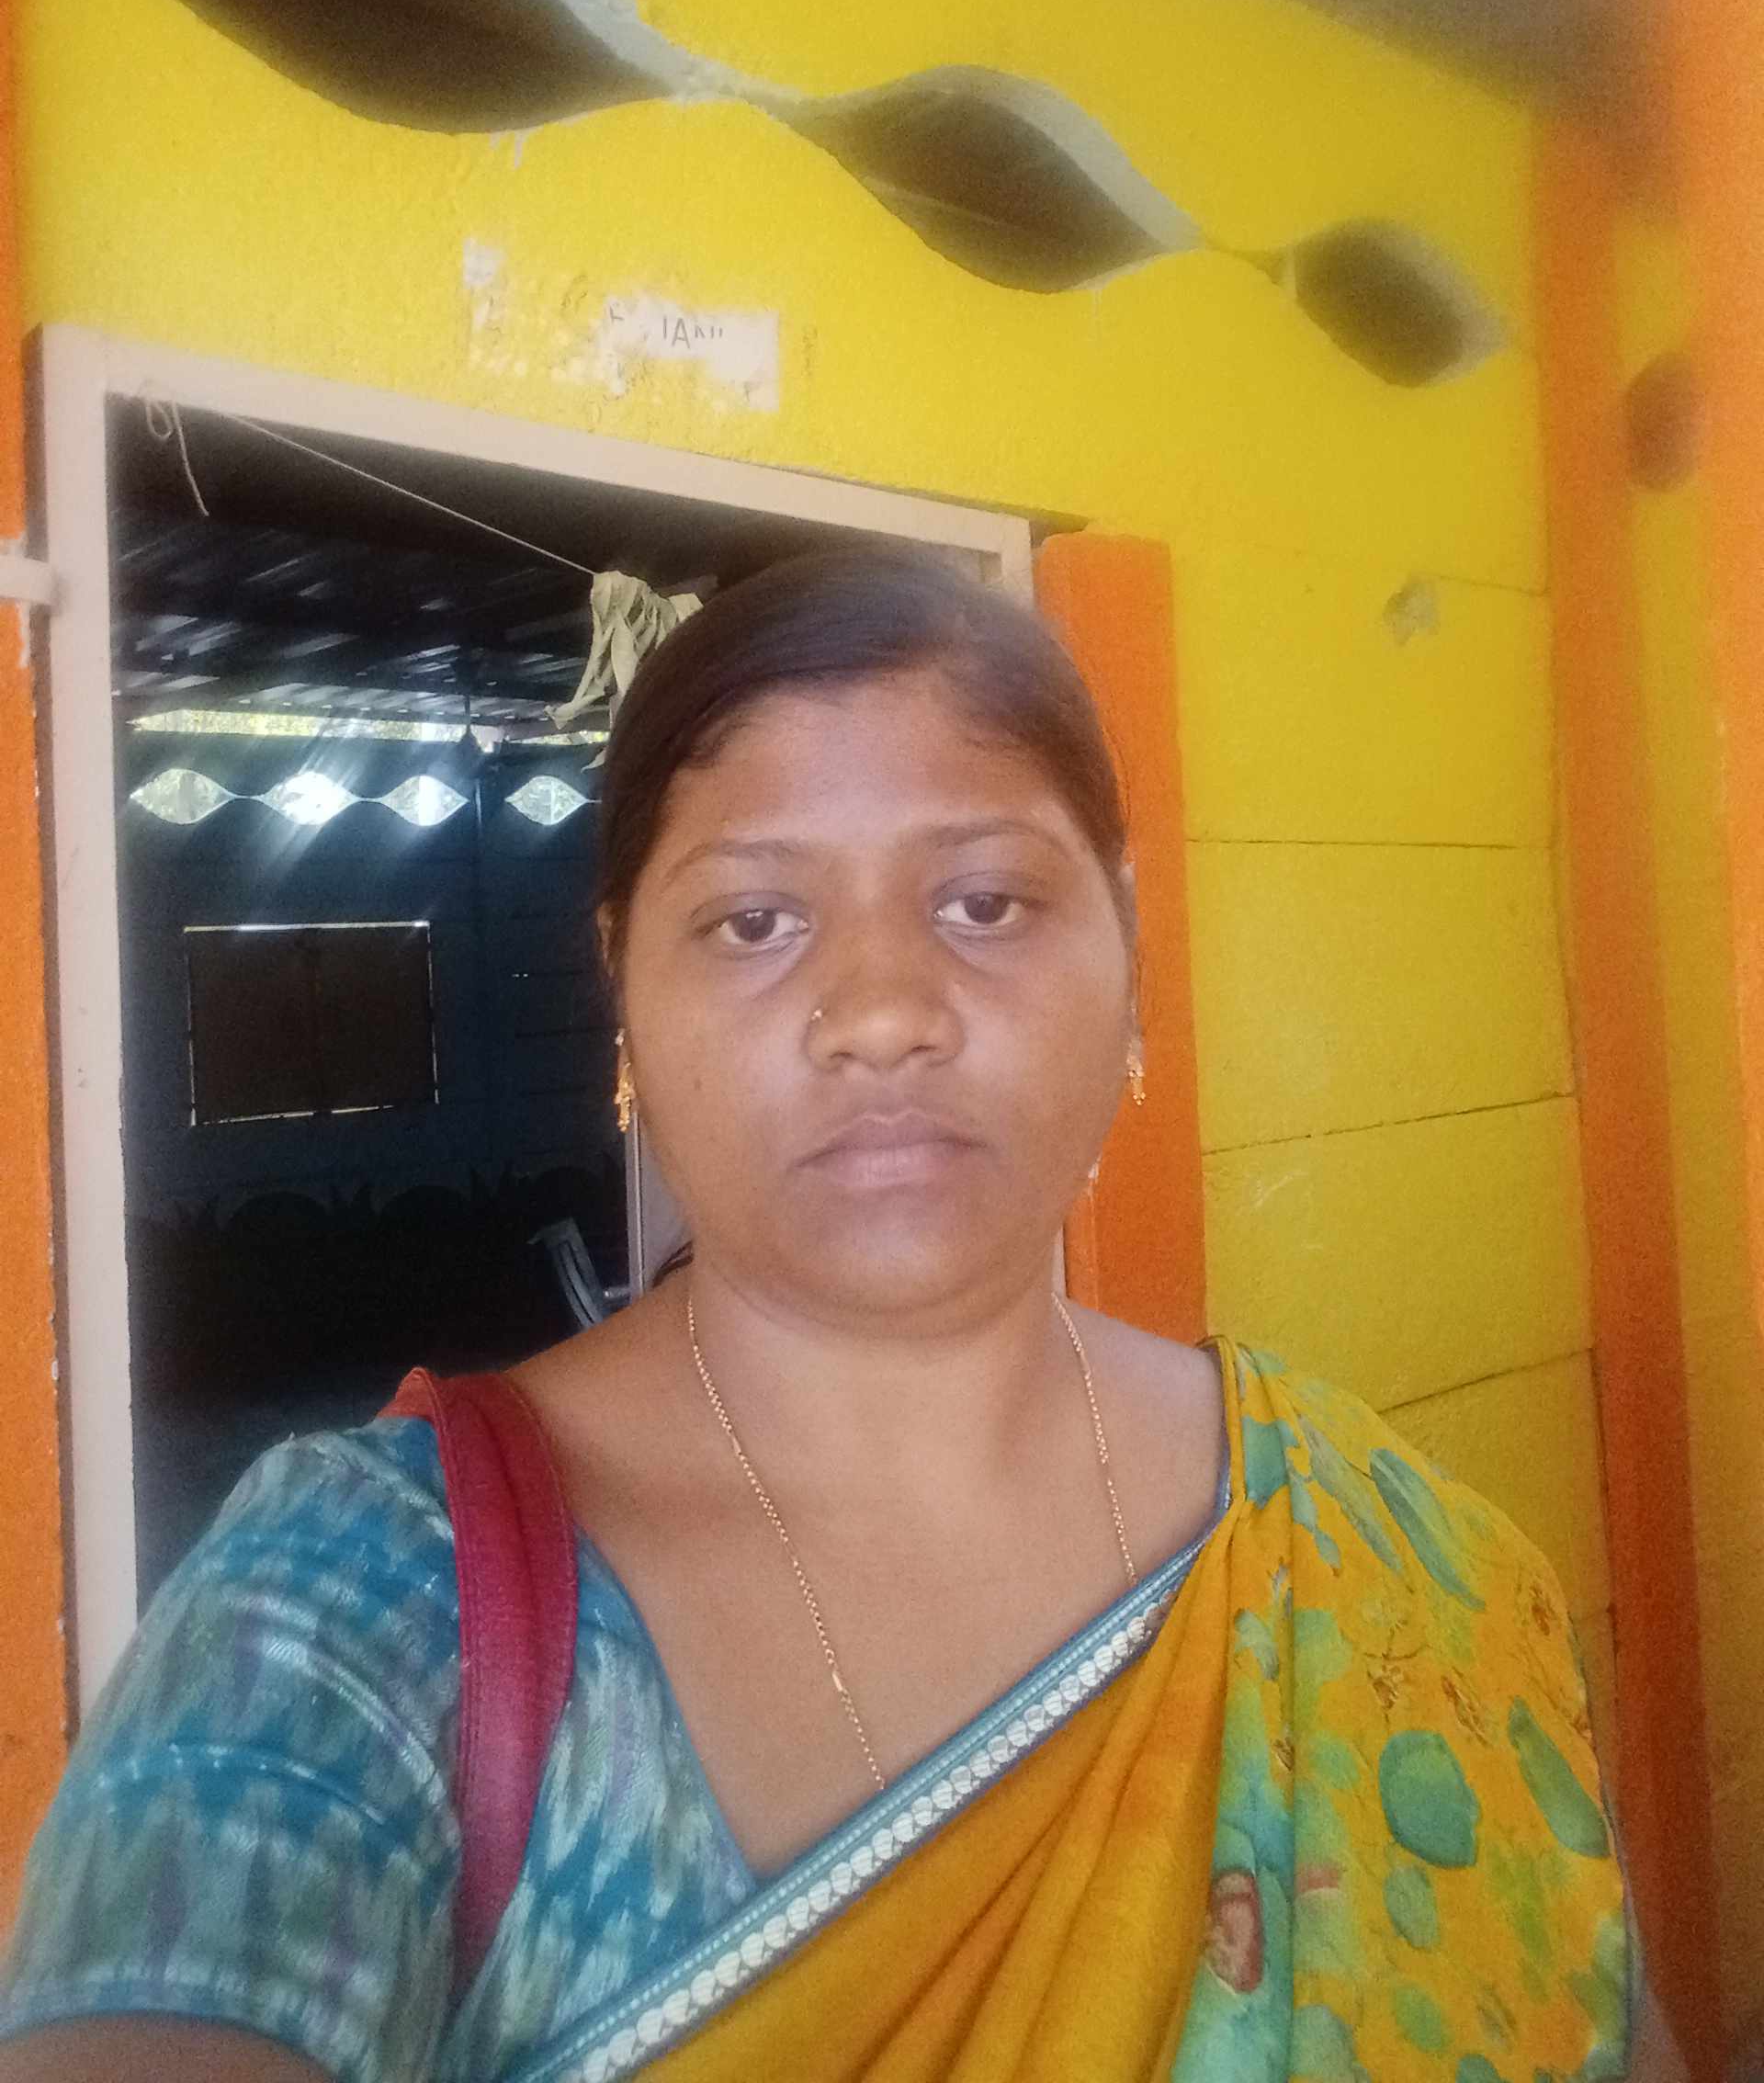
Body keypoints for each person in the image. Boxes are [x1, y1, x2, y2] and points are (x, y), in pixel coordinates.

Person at [0, 548, 1683, 2081]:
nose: (881, 1012)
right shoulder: (353, 1616)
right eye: (754, 921)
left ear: (1132, 954)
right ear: (626, 994)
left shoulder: (1401, 1568)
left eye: (984, 902)